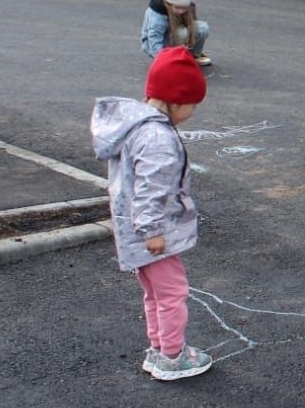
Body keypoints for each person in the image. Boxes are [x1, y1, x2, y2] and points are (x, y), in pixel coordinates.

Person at [90, 46, 213, 381]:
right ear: (174, 100)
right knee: (173, 293)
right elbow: (150, 190)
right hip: (152, 233)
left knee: (156, 293)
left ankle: (160, 349)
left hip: (134, 231)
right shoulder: (157, 138)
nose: (193, 111)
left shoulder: (138, 127)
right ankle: (172, 356)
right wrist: (152, 232)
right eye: (191, 104)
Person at [141, 0, 211, 67]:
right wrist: (162, 60)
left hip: (174, 33)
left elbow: (193, 24)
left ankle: (193, 55)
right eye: (177, 8)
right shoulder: (158, 13)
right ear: (169, 3)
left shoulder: (188, 2)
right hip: (156, 44)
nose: (181, 11)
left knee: (202, 28)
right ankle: (171, 57)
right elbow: (154, 38)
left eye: (184, 8)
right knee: (182, 33)